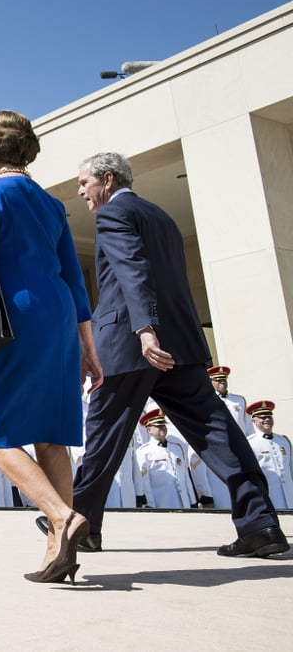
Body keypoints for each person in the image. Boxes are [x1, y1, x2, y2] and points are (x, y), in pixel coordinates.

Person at [64, 151, 287, 557]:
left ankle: (81, 524)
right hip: (180, 345)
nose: (80, 191)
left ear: (108, 179)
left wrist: (145, 330)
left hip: (132, 346)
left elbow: (132, 269)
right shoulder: (162, 216)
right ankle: (260, 525)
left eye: (84, 182)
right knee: (216, 432)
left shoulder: (113, 214)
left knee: (103, 434)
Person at [0, 110, 102, 584]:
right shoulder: (52, 204)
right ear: (28, 150)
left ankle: (62, 516)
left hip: (16, 317)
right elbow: (74, 277)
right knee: (51, 435)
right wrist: (88, 345)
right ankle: (58, 553)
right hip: (60, 316)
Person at [134, 409, 197, 509]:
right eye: (158, 426)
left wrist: (192, 501)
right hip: (161, 505)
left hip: (183, 504)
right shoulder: (144, 452)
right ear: (148, 429)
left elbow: (186, 478)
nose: (162, 428)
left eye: (163, 425)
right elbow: (145, 482)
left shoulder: (177, 448)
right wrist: (150, 505)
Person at [246, 401, 293, 510]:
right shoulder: (250, 443)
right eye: (262, 417)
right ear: (254, 421)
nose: (267, 420)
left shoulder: (283, 441)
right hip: (269, 497)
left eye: (269, 417)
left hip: (290, 496)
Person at [208, 366, 252, 436]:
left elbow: (248, 424)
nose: (222, 382)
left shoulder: (239, 400)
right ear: (211, 382)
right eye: (218, 380)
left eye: (224, 379)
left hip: (240, 439)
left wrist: (250, 439)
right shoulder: (208, 401)